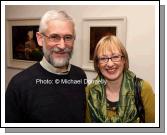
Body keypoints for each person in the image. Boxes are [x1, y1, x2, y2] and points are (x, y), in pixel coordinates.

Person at [5, 10, 87, 123]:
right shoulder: (19, 85)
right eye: (54, 37)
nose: (62, 46)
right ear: (40, 39)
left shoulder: (80, 76)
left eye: (68, 37)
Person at [85, 35, 155, 123]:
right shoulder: (90, 91)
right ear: (98, 64)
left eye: (115, 57)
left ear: (124, 60)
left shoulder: (143, 89)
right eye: (103, 58)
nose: (110, 64)